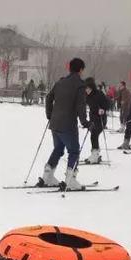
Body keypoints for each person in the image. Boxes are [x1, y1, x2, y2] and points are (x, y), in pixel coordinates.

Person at [39, 57, 90, 190]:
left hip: (55, 123)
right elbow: (81, 105)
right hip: (68, 125)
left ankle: (48, 175)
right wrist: (85, 122)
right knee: (74, 151)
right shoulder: (79, 84)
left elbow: (49, 97)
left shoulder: (60, 82)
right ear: (80, 69)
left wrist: (49, 114)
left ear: (69, 68)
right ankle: (70, 179)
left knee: (58, 149)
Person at [84, 77, 108, 164]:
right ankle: (95, 153)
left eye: (88, 88)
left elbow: (107, 103)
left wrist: (103, 109)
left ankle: (95, 154)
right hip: (93, 119)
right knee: (94, 135)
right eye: (85, 88)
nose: (86, 90)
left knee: (94, 135)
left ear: (92, 87)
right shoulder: (87, 96)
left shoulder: (99, 94)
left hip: (101, 118)